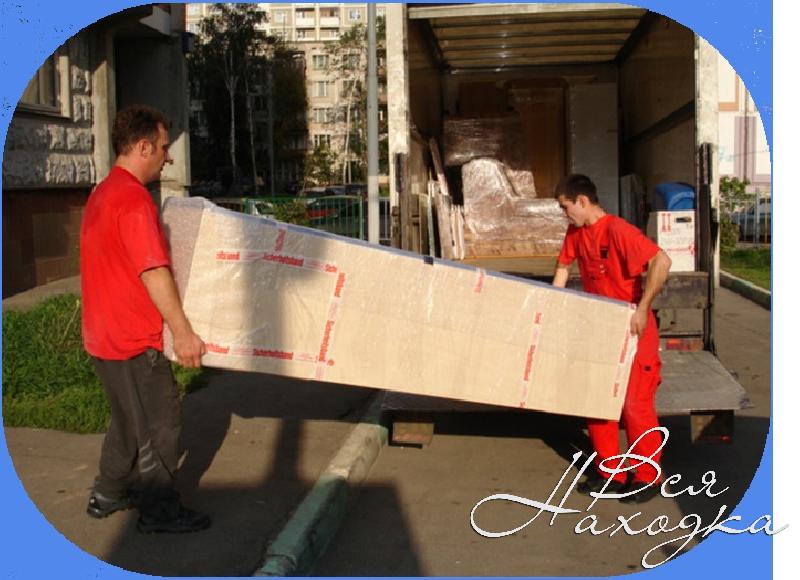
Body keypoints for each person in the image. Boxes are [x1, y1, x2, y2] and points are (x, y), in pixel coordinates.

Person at [80, 105, 210, 533]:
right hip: (134, 340)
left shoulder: (102, 193)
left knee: (127, 421)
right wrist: (183, 333)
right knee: (159, 425)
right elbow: (153, 271)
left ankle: (108, 493)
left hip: (102, 337)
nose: (167, 157)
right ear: (142, 147)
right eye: (163, 147)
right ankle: (159, 512)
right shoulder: (134, 200)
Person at [552, 174, 672, 504]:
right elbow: (563, 268)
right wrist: (551, 307)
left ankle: (647, 477)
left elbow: (661, 260)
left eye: (565, 207)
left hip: (634, 328)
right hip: (600, 327)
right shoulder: (576, 233)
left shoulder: (617, 230)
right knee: (598, 401)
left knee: (635, 405)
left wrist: (642, 308)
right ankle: (611, 473)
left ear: (582, 201)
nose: (565, 214)